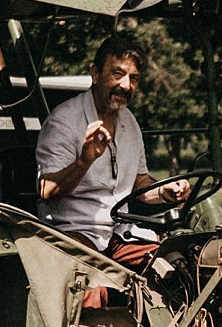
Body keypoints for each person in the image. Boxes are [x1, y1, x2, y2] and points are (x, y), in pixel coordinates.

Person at [36, 34, 189, 269]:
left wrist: (164, 191)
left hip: (120, 233)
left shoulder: (129, 122)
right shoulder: (63, 121)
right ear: (95, 74)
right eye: (117, 74)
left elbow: (138, 183)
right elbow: (47, 191)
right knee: (90, 288)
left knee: (174, 264)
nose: (126, 85)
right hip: (74, 233)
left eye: (134, 78)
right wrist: (84, 161)